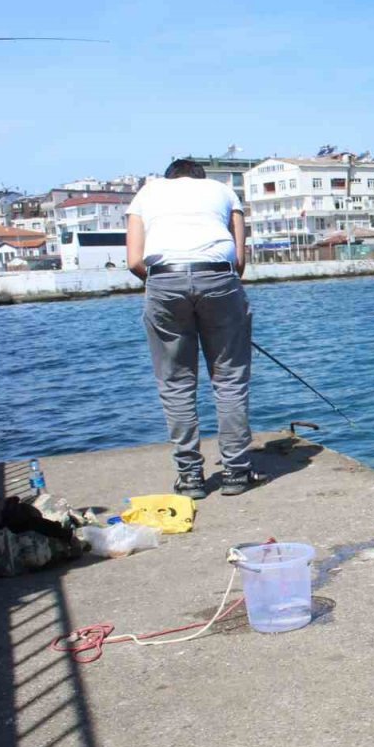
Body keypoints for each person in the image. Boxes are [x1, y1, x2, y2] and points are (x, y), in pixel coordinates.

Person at [125, 158, 265, 499]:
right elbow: (240, 262)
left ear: (169, 178)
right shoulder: (224, 191)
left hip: (163, 278)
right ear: (201, 177)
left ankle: (190, 478)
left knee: (176, 385)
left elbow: (133, 261)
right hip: (218, 276)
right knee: (229, 380)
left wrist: (165, 284)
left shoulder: (146, 193)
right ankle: (236, 472)